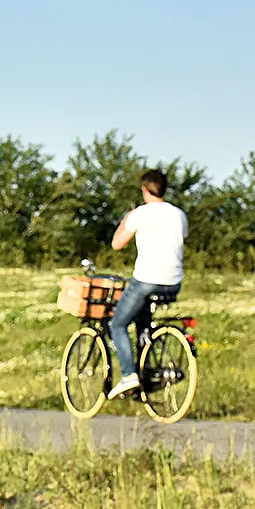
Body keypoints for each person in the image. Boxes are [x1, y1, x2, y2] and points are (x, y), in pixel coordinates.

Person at [106, 168, 187, 398]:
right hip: (173, 283)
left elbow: (116, 244)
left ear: (144, 190)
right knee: (142, 321)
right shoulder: (179, 214)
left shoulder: (140, 213)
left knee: (118, 325)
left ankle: (129, 375)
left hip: (147, 280)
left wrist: (126, 219)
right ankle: (146, 371)